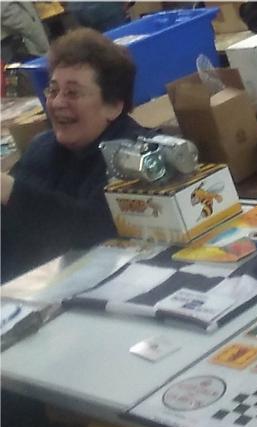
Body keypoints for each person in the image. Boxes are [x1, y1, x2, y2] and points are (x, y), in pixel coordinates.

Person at [1, 27, 152, 282]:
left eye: (72, 92)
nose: (57, 102)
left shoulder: (135, 157)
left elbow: (94, 229)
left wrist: (9, 190)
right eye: (52, 90)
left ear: (113, 106)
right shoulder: (43, 147)